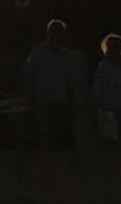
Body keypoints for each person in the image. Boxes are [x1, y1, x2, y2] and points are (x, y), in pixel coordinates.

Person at [20, 20, 86, 153]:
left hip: (61, 101)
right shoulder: (38, 52)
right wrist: (30, 97)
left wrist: (73, 99)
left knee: (60, 136)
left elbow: (70, 80)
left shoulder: (66, 55)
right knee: (46, 136)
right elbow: (30, 75)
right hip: (43, 100)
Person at [88, 33, 121, 151]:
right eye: (111, 47)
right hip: (109, 110)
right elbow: (98, 89)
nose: (114, 50)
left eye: (117, 47)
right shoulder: (103, 67)